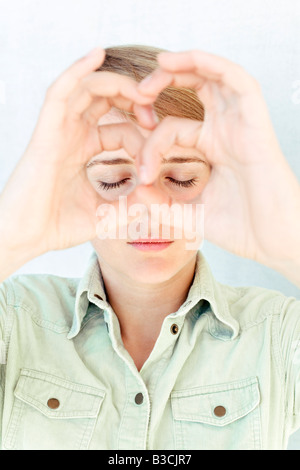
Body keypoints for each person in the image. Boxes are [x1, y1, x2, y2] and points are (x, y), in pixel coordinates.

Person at [0, 44, 299, 451]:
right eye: (111, 181)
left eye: (180, 178)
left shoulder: (278, 333)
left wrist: (287, 241)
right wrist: (12, 236)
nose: (149, 209)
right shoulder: (14, 320)